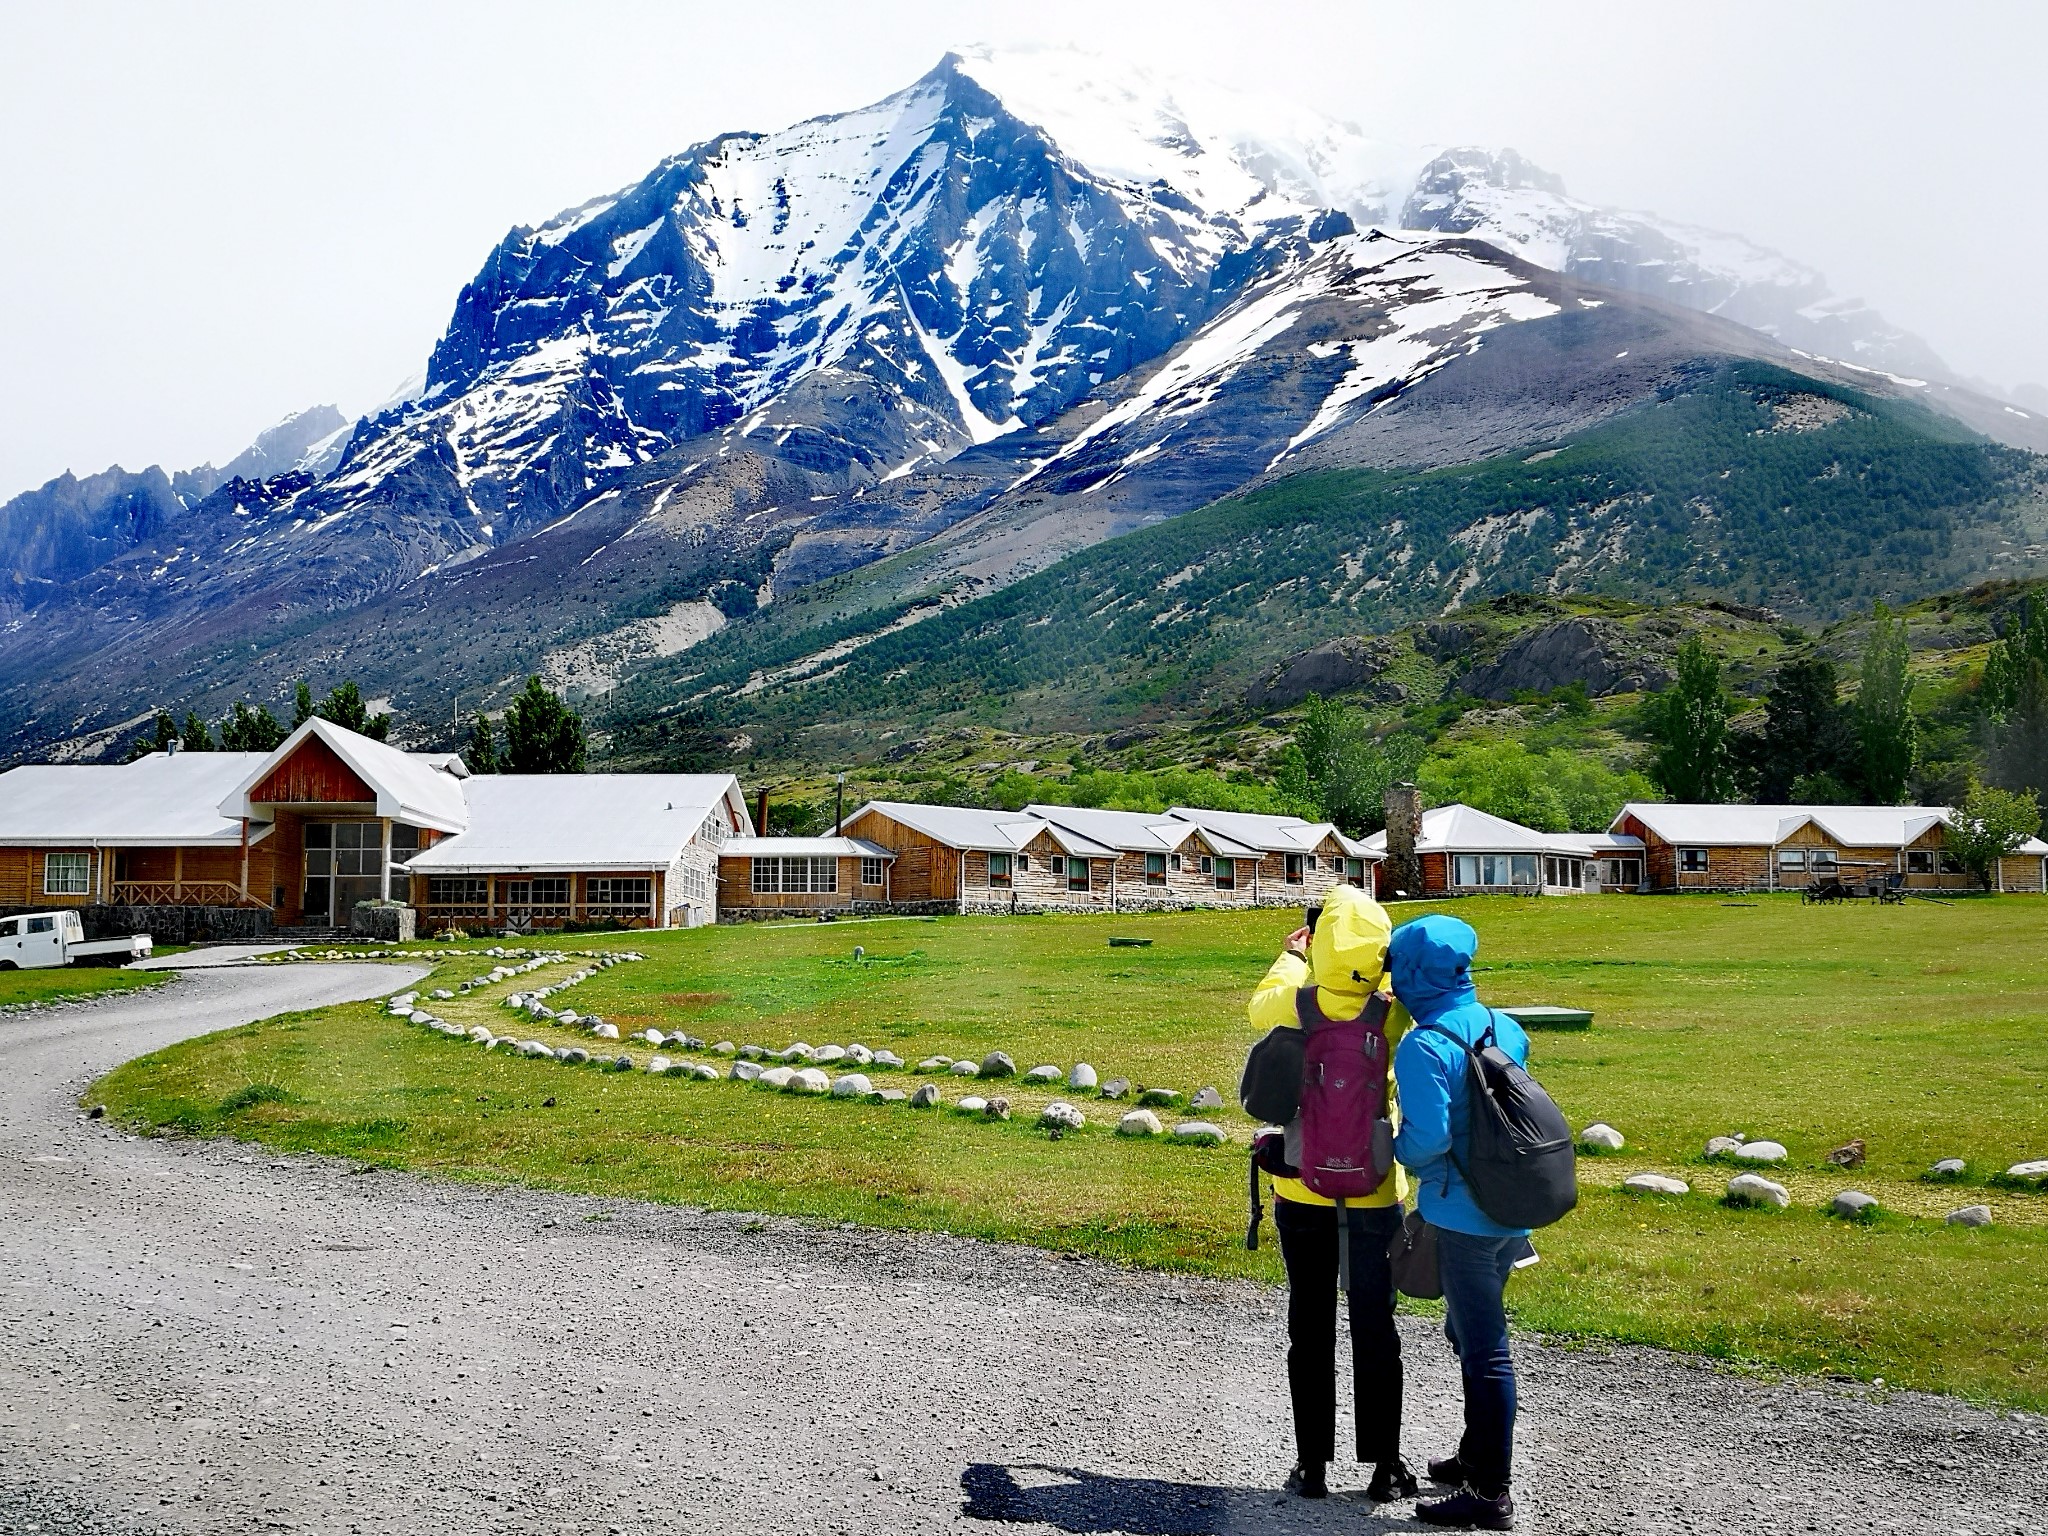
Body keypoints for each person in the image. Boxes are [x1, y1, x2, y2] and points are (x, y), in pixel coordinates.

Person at [1245, 883, 1418, 1505]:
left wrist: (1293, 956)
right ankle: (1385, 1466)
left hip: (1304, 1191)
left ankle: (1311, 1464)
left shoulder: (1296, 1003)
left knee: (1309, 1327)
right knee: (1377, 1328)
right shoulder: (1391, 1011)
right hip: (1376, 1195)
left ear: (1321, 942)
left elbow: (1258, 1007)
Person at [1388, 913, 1531, 1531]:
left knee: (1483, 1349)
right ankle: (1475, 1454)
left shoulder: (1425, 1045)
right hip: (1512, 1206)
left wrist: (1388, 1145)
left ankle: (1489, 1492)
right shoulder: (1505, 1025)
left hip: (1463, 1214)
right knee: (1464, 1332)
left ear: (1415, 973)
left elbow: (1428, 1140)